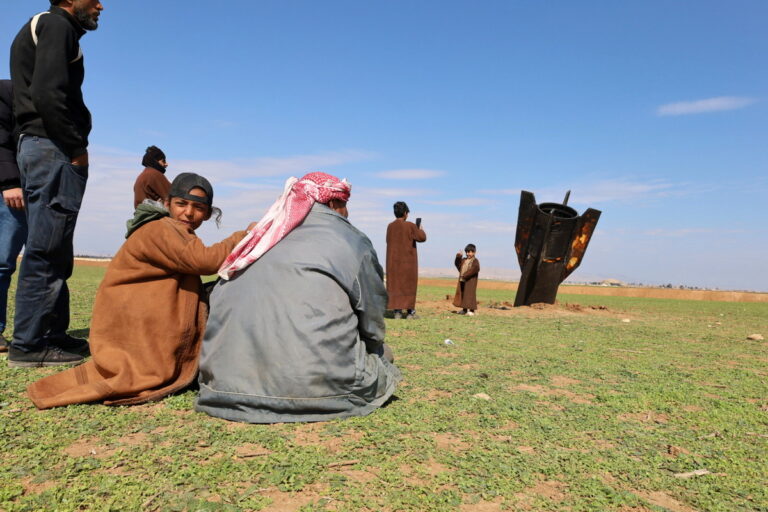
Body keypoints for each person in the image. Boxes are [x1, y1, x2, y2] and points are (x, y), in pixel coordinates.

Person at [27, 173, 254, 407]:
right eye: (181, 204)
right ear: (167, 204)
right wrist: (244, 236)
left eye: (198, 207)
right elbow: (204, 261)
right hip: (138, 326)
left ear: (206, 214)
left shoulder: (174, 231)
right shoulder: (159, 228)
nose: (188, 212)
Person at [196, 172, 400, 424]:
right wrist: (373, 346)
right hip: (322, 391)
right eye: (345, 206)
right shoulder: (349, 238)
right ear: (333, 203)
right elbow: (372, 318)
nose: (346, 214)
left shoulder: (260, 237)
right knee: (382, 354)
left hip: (222, 388)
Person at [8, 0, 104, 367]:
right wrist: (76, 148)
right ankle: (29, 345)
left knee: (57, 247)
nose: (100, 5)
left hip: (44, 146)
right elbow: (48, 93)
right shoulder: (56, 25)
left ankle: (51, 333)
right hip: (52, 147)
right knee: (47, 247)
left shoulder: (50, 27)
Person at [0, 80, 28, 352]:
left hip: (41, 190)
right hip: (12, 191)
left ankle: (42, 332)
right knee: (2, 262)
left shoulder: (54, 94)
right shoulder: (7, 90)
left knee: (47, 261)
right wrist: (9, 182)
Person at [385, 201, 426, 319]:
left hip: (393, 263)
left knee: (396, 285)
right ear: (405, 213)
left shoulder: (390, 226)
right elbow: (422, 238)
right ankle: (410, 312)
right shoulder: (410, 226)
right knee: (409, 286)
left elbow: (388, 241)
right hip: (408, 263)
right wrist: (420, 229)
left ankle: (397, 312)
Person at [453, 244, 480, 316]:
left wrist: (465, 275)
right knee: (463, 295)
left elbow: (475, 268)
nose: (468, 254)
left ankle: (471, 311)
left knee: (470, 295)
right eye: (467, 252)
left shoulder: (475, 261)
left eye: (469, 252)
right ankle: (464, 310)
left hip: (470, 281)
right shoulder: (464, 260)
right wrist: (459, 257)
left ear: (474, 252)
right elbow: (458, 265)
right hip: (463, 280)